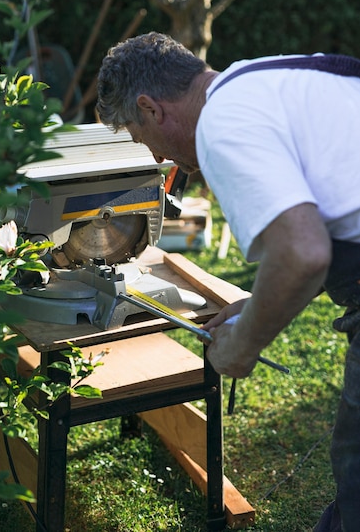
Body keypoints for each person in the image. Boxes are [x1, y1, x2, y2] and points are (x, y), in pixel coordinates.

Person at [96, 31, 360, 532]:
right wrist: (262, 300)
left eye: (138, 137)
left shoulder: (222, 126)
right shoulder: (259, 79)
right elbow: (340, 207)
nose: (155, 158)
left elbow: (302, 252)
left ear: (151, 109)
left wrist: (241, 346)